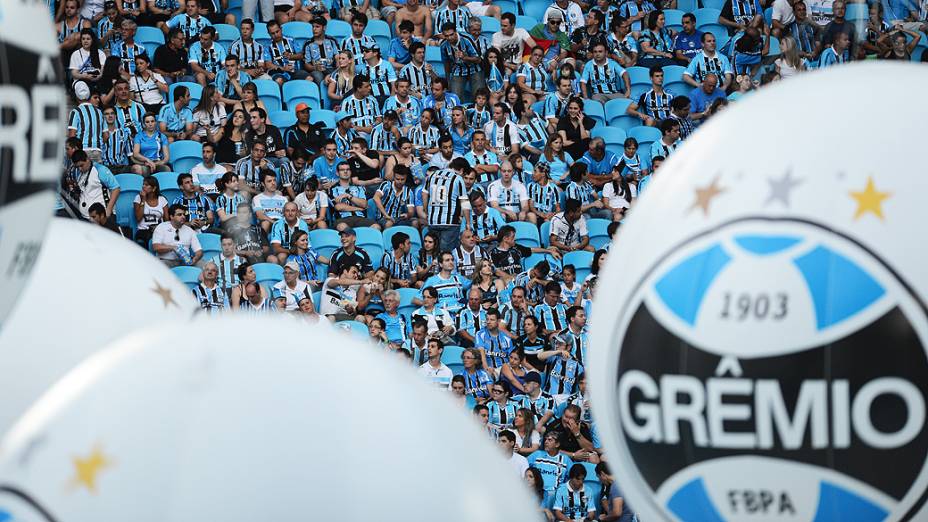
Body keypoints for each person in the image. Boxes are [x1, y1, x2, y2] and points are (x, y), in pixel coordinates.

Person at [72, 150, 121, 222]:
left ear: (87, 159)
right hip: (85, 217)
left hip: (101, 217)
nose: (80, 169)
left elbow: (116, 188)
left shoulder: (100, 170)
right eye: (77, 167)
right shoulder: (78, 173)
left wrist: (109, 209)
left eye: (81, 165)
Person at [528, 431, 575, 496]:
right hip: (535, 492)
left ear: (557, 444)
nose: (546, 442)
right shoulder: (537, 454)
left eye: (550, 440)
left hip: (555, 495)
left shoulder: (565, 460)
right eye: (546, 439)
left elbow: (575, 475)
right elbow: (524, 467)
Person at [68, 87, 105, 162]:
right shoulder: (99, 112)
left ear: (76, 97)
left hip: (82, 150)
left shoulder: (75, 111)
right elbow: (106, 135)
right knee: (95, 173)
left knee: (81, 173)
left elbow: (72, 135)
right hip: (97, 150)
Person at [133, 175, 169, 246]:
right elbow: (138, 218)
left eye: (146, 185)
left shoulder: (162, 199)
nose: (143, 186)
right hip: (143, 231)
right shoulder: (138, 198)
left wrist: (159, 227)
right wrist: (143, 200)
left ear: (154, 188)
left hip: (159, 230)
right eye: (143, 184)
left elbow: (166, 220)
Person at [252, 170, 288, 234]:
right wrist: (274, 222)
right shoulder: (257, 198)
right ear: (263, 184)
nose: (273, 183)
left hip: (281, 223)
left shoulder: (283, 199)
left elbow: (287, 215)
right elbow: (260, 215)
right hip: (267, 223)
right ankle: (263, 243)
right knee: (265, 223)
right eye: (269, 181)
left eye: (274, 180)